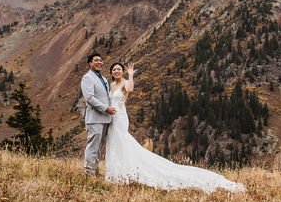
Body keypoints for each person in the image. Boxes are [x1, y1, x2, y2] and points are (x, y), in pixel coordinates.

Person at [104, 62, 245, 193]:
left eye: (119, 69)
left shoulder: (125, 83)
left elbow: (131, 89)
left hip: (121, 117)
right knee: (116, 142)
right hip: (112, 117)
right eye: (114, 70)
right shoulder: (111, 85)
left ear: (122, 71)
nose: (116, 71)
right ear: (111, 72)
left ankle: (125, 171)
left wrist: (130, 74)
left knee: (122, 141)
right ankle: (117, 171)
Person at [80, 52, 116, 175]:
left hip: (105, 118)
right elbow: (89, 98)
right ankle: (89, 172)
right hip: (94, 118)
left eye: (101, 60)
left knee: (99, 147)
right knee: (92, 147)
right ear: (90, 63)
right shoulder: (87, 78)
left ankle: (95, 170)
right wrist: (106, 108)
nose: (99, 62)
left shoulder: (104, 79)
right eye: (96, 60)